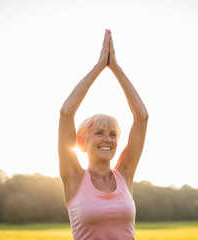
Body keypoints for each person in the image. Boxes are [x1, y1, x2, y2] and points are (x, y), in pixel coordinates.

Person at [58, 29, 148, 240]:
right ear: (83, 140)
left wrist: (115, 68)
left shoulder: (125, 174)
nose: (108, 139)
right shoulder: (74, 177)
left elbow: (141, 118)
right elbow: (66, 113)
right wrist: (99, 66)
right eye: (99, 133)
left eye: (113, 134)